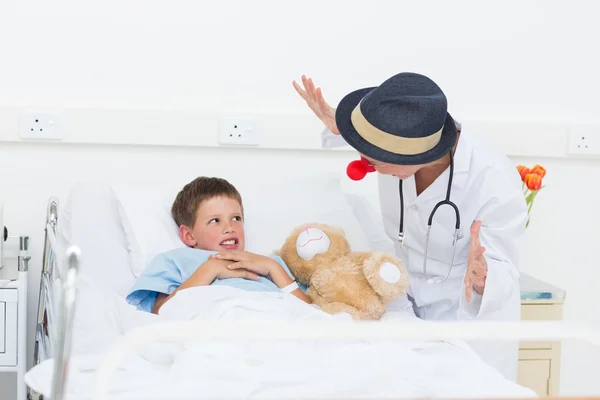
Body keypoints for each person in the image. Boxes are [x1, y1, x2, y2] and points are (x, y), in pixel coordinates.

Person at [292, 72, 528, 381]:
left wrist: (484, 278)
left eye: (377, 161)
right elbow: (381, 138)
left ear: (417, 154)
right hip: (406, 314)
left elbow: (503, 268)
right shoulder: (400, 147)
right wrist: (346, 128)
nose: (368, 166)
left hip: (470, 328)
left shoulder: (493, 179)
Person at [126, 176, 310, 314]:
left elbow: (312, 312)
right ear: (189, 236)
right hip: (220, 322)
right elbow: (160, 313)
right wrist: (209, 270)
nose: (230, 228)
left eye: (236, 218)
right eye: (215, 221)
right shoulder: (176, 260)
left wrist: (273, 268)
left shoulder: (269, 262)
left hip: (276, 319)